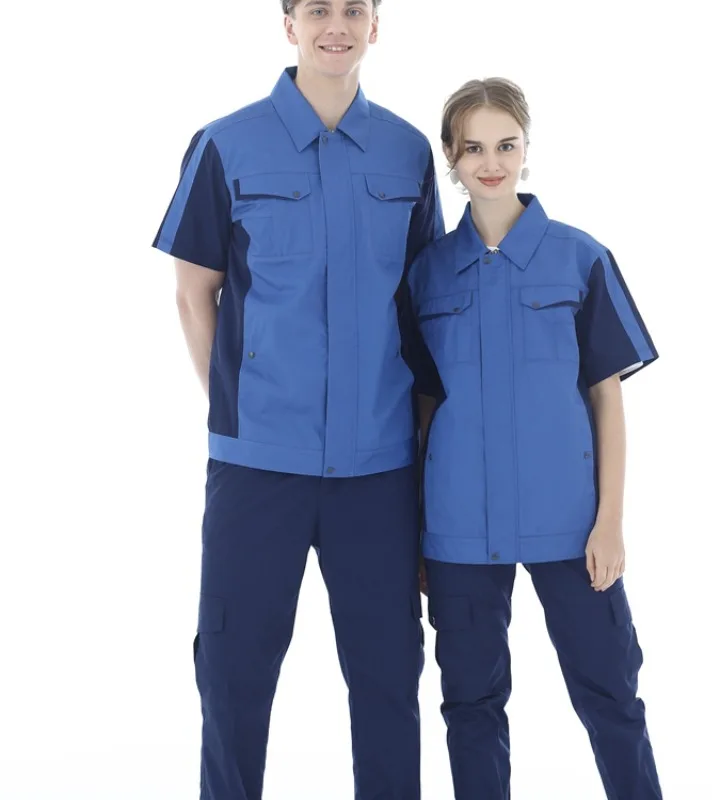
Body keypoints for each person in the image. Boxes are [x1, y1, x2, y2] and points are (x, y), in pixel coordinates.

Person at [151, 1, 443, 798]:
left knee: (389, 678)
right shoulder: (225, 143)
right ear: (290, 24)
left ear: (376, 24)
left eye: (354, 9)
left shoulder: (409, 152)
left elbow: (423, 311)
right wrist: (241, 410)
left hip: (380, 470)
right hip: (256, 468)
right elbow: (194, 295)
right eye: (318, 8)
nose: (335, 25)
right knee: (233, 677)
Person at [409, 78, 663, 799]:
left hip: (570, 523)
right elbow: (422, 412)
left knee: (610, 692)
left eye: (506, 145)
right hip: (457, 527)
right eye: (473, 148)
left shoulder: (581, 258)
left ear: (526, 147)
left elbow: (607, 399)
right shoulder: (426, 274)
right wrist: (418, 532)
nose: (491, 163)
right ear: (451, 157)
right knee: (470, 703)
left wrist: (609, 521)